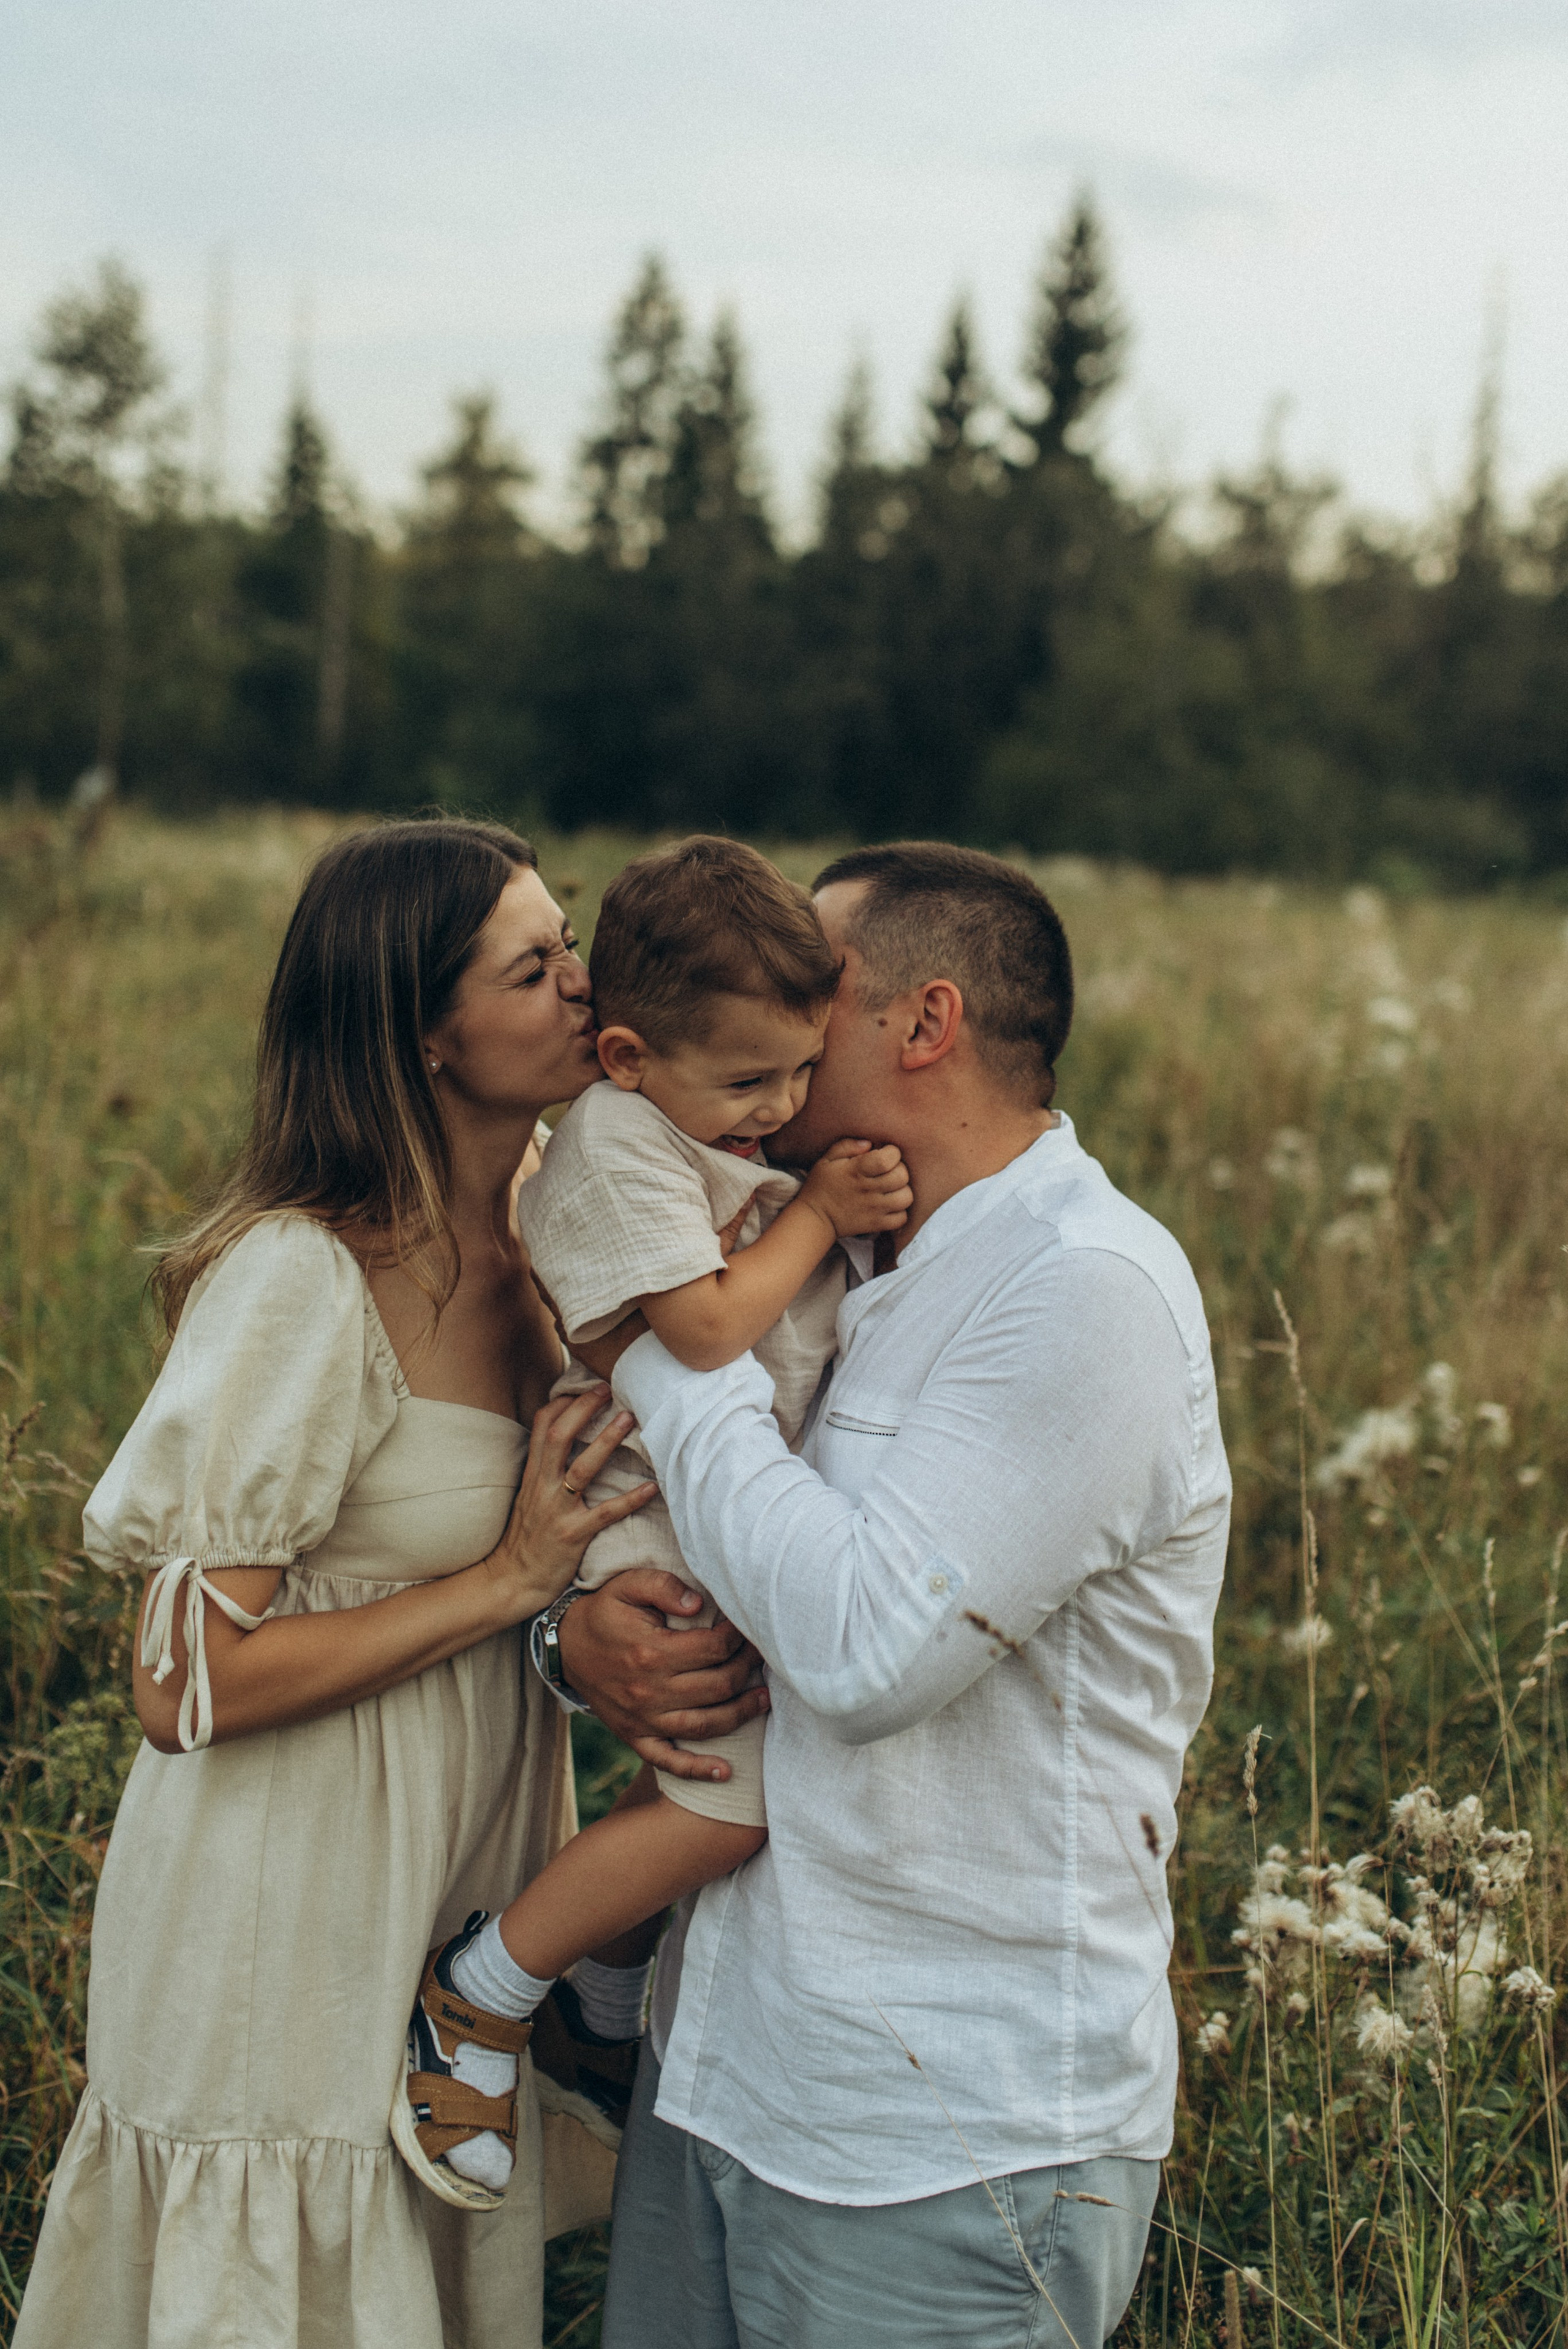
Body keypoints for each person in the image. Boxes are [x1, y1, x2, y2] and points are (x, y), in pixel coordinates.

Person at [13, 818, 766, 2349]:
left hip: (462, 1856)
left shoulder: (561, 1220)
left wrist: (567, 1625)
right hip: (285, 1891)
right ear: (425, 1030)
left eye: (571, 948)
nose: (584, 984)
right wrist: (512, 1583)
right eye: (535, 964)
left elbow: (547, 1558)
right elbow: (181, 1688)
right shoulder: (305, 1276)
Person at [564, 843, 1232, 2349]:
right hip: (720, 2066)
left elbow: (863, 1653)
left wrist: (668, 1355)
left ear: (922, 1025)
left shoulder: (1080, 1290)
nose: (777, 1012)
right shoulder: (809, 1240)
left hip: (943, 2144)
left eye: (821, 985)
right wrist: (575, 1646)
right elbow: (702, 1567)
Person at [391, 839, 911, 2211]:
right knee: (729, 1802)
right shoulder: (621, 1145)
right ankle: (486, 1990)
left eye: (800, 1073)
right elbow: (701, 1328)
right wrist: (815, 1210)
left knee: (699, 1759)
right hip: (641, 1500)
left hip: (699, 1501)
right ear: (624, 1055)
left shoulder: (682, 1116)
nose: (783, 1106)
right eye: (751, 1083)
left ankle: (602, 2002)